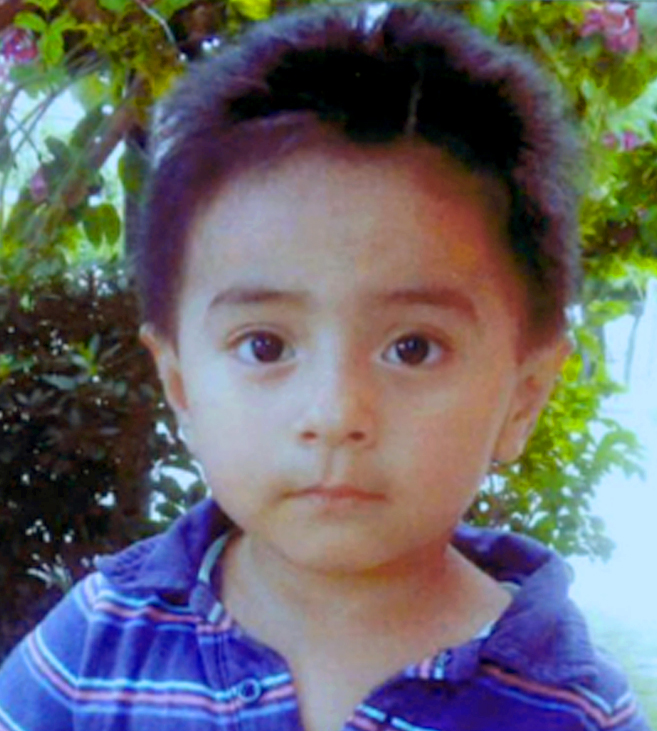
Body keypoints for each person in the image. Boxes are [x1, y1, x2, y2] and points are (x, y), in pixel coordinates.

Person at [0, 3, 650, 730]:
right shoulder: (91, 652)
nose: (335, 413)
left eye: (413, 347)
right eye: (265, 346)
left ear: (523, 397)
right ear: (180, 387)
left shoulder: (572, 710)